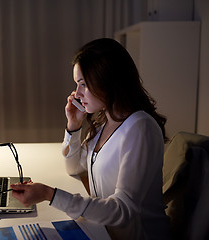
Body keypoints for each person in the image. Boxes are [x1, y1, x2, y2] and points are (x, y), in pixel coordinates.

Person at [11, 38, 172, 239]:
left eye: (83, 84)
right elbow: (73, 168)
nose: (77, 94)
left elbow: (122, 211)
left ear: (107, 81)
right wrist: (74, 125)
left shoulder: (140, 128)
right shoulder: (107, 121)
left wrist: (48, 194)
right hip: (103, 230)